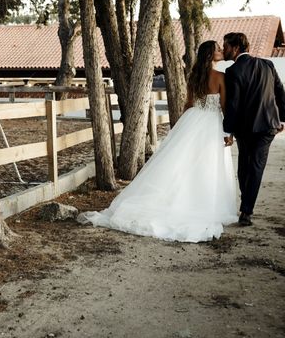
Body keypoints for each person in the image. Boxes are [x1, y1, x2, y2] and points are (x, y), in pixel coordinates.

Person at [79, 41, 237, 242]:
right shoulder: (221, 77)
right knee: (207, 164)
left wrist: (182, 128)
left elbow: (188, 104)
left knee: (183, 162)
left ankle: (179, 197)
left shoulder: (194, 77)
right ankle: (198, 202)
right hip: (210, 123)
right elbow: (223, 107)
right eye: (218, 49)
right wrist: (228, 131)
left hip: (192, 120)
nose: (221, 51)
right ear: (210, 54)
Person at [222, 32, 285, 226]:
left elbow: (233, 105)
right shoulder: (268, 65)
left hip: (246, 128)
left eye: (225, 46)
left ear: (236, 48)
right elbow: (280, 92)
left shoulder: (233, 71)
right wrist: (282, 119)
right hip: (268, 125)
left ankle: (246, 209)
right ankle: (246, 209)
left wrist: (227, 130)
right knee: (255, 167)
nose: (224, 49)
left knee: (245, 165)